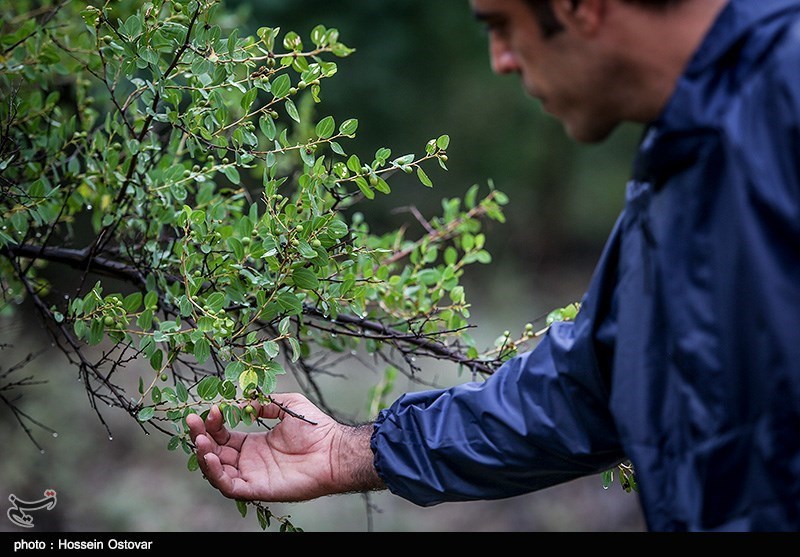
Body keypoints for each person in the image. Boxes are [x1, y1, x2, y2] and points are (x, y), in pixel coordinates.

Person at [186, 0, 800, 531]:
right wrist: (346, 454)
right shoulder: (690, 154)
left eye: (502, 25)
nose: (501, 60)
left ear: (579, 6)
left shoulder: (780, 106)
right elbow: (589, 387)